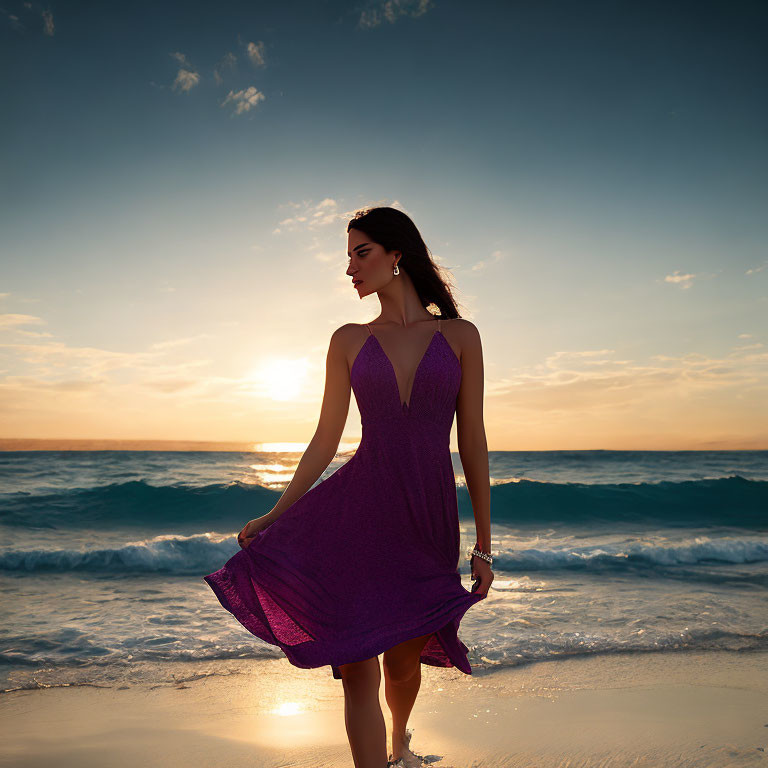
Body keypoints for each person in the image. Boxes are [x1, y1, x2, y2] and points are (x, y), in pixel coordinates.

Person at [203, 205, 493, 768]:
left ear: (396, 255)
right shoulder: (347, 339)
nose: (351, 269)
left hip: (426, 520)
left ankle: (400, 738)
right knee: (357, 665)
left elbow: (474, 441)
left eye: (361, 253)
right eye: (348, 257)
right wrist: (274, 515)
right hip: (355, 516)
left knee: (402, 663)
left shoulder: (460, 336)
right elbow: (324, 439)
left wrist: (483, 544)